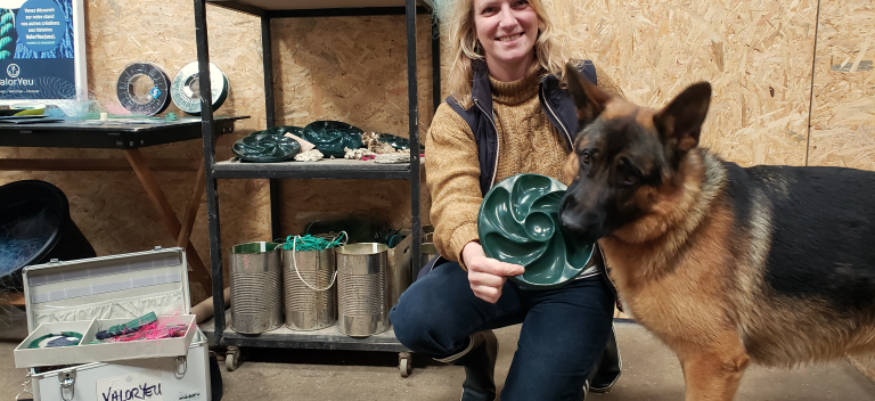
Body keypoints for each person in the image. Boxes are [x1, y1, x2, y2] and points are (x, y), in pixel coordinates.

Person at [389, 0, 625, 399]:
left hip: (577, 278)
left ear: (538, 15)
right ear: (472, 28)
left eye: (519, 4)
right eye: (490, 9)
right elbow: (453, 196)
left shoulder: (586, 83)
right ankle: (479, 355)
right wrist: (472, 253)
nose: (508, 20)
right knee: (414, 321)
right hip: (496, 267)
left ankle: (591, 339)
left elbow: (633, 153)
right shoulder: (456, 114)